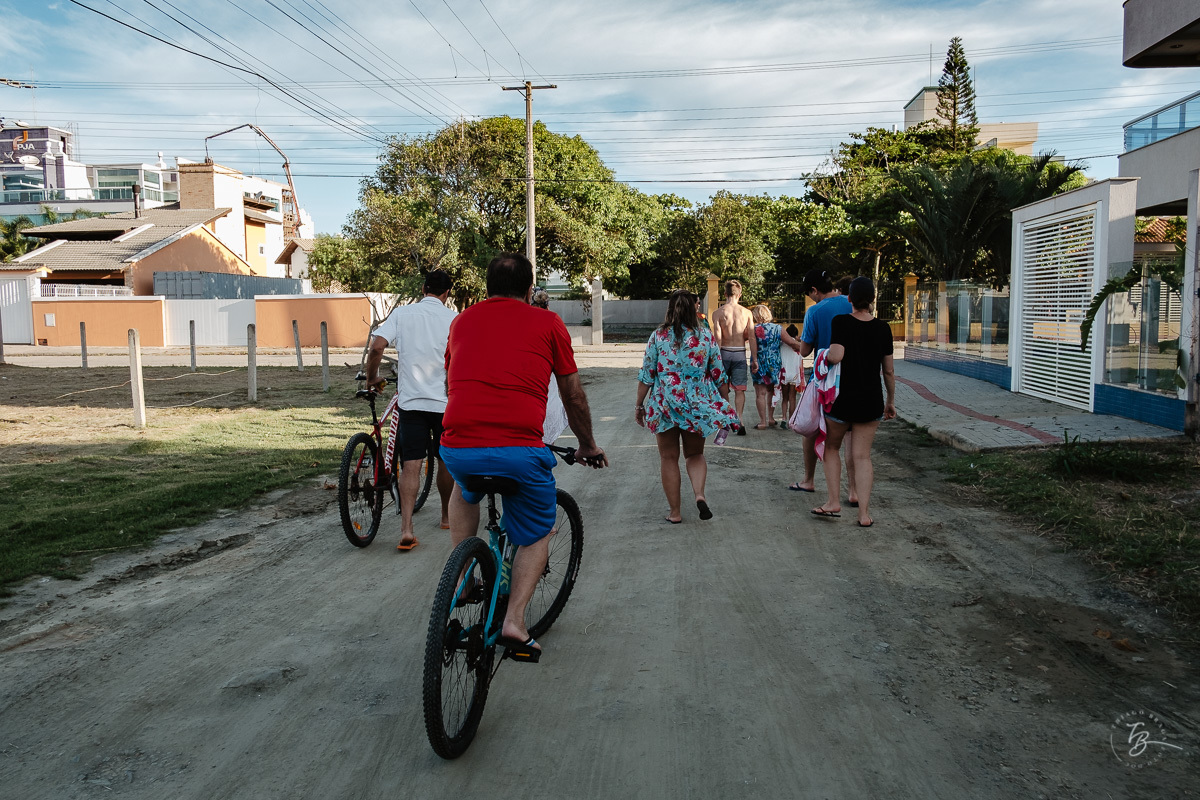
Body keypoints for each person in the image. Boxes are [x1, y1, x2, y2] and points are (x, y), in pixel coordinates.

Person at [441, 253, 607, 661]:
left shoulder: (461, 321)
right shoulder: (548, 323)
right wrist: (587, 444)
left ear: (486, 287)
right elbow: (572, 394)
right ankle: (514, 620)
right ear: (530, 289)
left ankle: (461, 577)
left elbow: (451, 380)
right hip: (520, 451)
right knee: (536, 531)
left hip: (458, 445)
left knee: (464, 489)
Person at [365, 269, 457, 550]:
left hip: (412, 402)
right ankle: (445, 515)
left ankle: (406, 529)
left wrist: (372, 378)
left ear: (423, 288)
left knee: (411, 465)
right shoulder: (455, 319)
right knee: (445, 461)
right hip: (445, 403)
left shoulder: (402, 315)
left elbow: (377, 346)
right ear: (447, 293)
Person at [635, 290, 738, 523]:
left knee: (669, 458)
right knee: (695, 454)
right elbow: (718, 373)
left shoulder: (658, 336)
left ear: (670, 308)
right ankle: (699, 495)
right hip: (696, 404)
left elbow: (647, 375)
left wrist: (638, 405)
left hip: (665, 404)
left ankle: (675, 513)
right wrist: (725, 403)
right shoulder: (704, 336)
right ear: (694, 308)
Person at [811, 277, 896, 527]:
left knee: (832, 448)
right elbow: (889, 371)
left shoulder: (842, 322)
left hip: (842, 399)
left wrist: (823, 358)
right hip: (871, 400)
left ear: (849, 298)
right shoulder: (884, 328)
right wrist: (890, 401)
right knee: (862, 457)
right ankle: (864, 514)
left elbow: (836, 355)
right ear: (871, 300)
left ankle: (833, 502)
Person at [789, 269, 856, 497]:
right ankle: (854, 491)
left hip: (825, 381)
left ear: (814, 290)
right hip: (854, 376)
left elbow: (806, 350)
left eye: (809, 293)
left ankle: (809, 480)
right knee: (851, 437)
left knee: (812, 429)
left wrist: (797, 343)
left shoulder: (814, 311)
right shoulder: (851, 303)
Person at [709, 279, 757, 435]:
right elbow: (752, 337)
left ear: (725, 294)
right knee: (739, 389)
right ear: (739, 295)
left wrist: (713, 360)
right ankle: (740, 420)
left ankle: (725, 419)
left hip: (723, 353)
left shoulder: (718, 313)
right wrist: (754, 359)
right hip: (740, 353)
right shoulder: (747, 313)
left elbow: (717, 339)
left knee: (722, 389)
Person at [750, 305, 802, 429]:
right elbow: (791, 342)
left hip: (758, 362)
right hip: (774, 363)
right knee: (771, 390)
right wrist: (805, 347)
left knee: (760, 393)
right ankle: (771, 419)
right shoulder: (777, 328)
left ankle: (762, 422)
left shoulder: (752, 329)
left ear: (756, 315)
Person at [779, 323, 804, 425]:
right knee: (792, 398)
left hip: (784, 373)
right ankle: (791, 420)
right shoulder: (798, 345)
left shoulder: (782, 344)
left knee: (784, 398)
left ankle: (784, 418)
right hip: (794, 374)